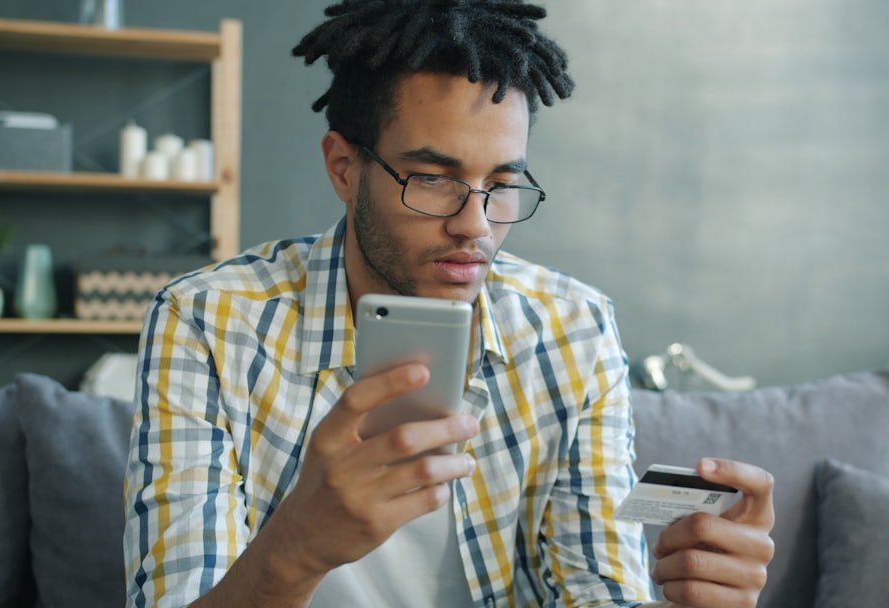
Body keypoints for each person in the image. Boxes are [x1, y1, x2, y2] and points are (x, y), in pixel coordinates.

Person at [123, 2, 776, 607]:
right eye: (433, 179)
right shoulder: (208, 321)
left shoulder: (573, 327)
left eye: (502, 184)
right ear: (344, 168)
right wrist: (295, 549)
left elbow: (595, 585)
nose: (476, 226)